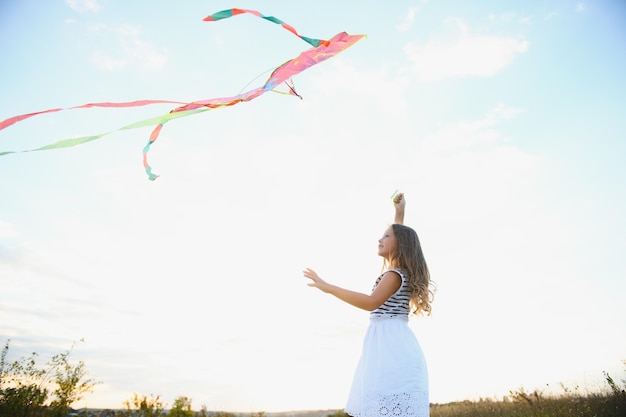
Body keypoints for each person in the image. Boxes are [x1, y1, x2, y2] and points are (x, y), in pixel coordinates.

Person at [303, 193, 434, 417]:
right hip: (391, 344)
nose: (379, 239)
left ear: (399, 244)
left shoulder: (393, 275)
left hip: (390, 348)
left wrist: (328, 286)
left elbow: (371, 302)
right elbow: (400, 236)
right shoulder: (400, 271)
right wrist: (399, 213)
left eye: (386, 236)